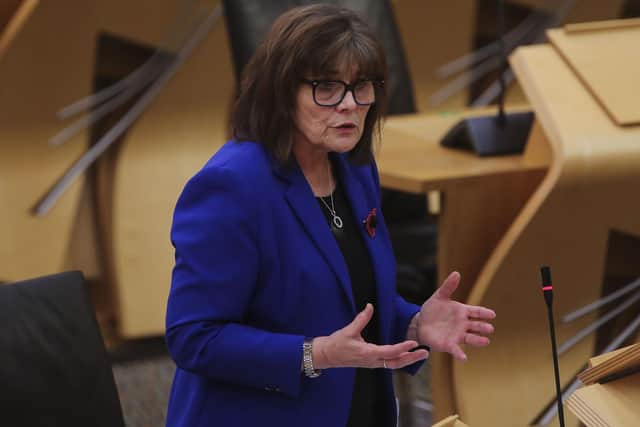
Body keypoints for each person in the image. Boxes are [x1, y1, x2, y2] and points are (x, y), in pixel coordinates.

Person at [165, 4, 496, 427]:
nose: (349, 105)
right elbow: (194, 337)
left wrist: (412, 323)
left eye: (362, 86)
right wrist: (315, 354)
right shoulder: (232, 187)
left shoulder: (354, 168)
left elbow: (344, 297)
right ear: (281, 92)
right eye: (326, 88)